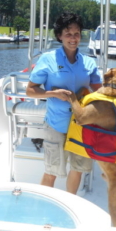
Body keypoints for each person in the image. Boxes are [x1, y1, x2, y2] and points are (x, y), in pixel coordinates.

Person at [26, 12, 102, 194]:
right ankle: (44, 206)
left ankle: (70, 206)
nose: (73, 38)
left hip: (82, 125)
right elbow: (30, 90)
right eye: (68, 33)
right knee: (51, 171)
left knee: (77, 169)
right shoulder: (47, 59)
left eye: (76, 33)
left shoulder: (89, 62)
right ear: (59, 36)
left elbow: (100, 92)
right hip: (56, 124)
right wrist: (52, 93)